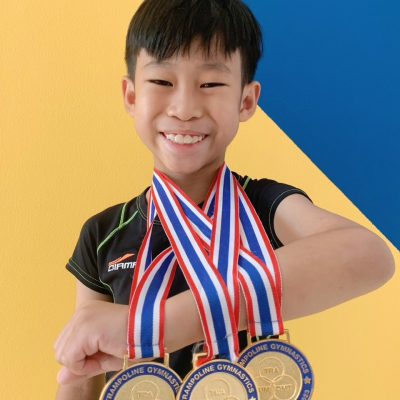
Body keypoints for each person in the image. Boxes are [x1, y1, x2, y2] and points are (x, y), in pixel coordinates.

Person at [54, 0, 395, 399]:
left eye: (211, 84)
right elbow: (83, 364)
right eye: (161, 81)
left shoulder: (265, 206)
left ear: (246, 101)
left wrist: (158, 327)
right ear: (131, 96)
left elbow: (371, 255)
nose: (184, 109)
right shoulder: (103, 233)